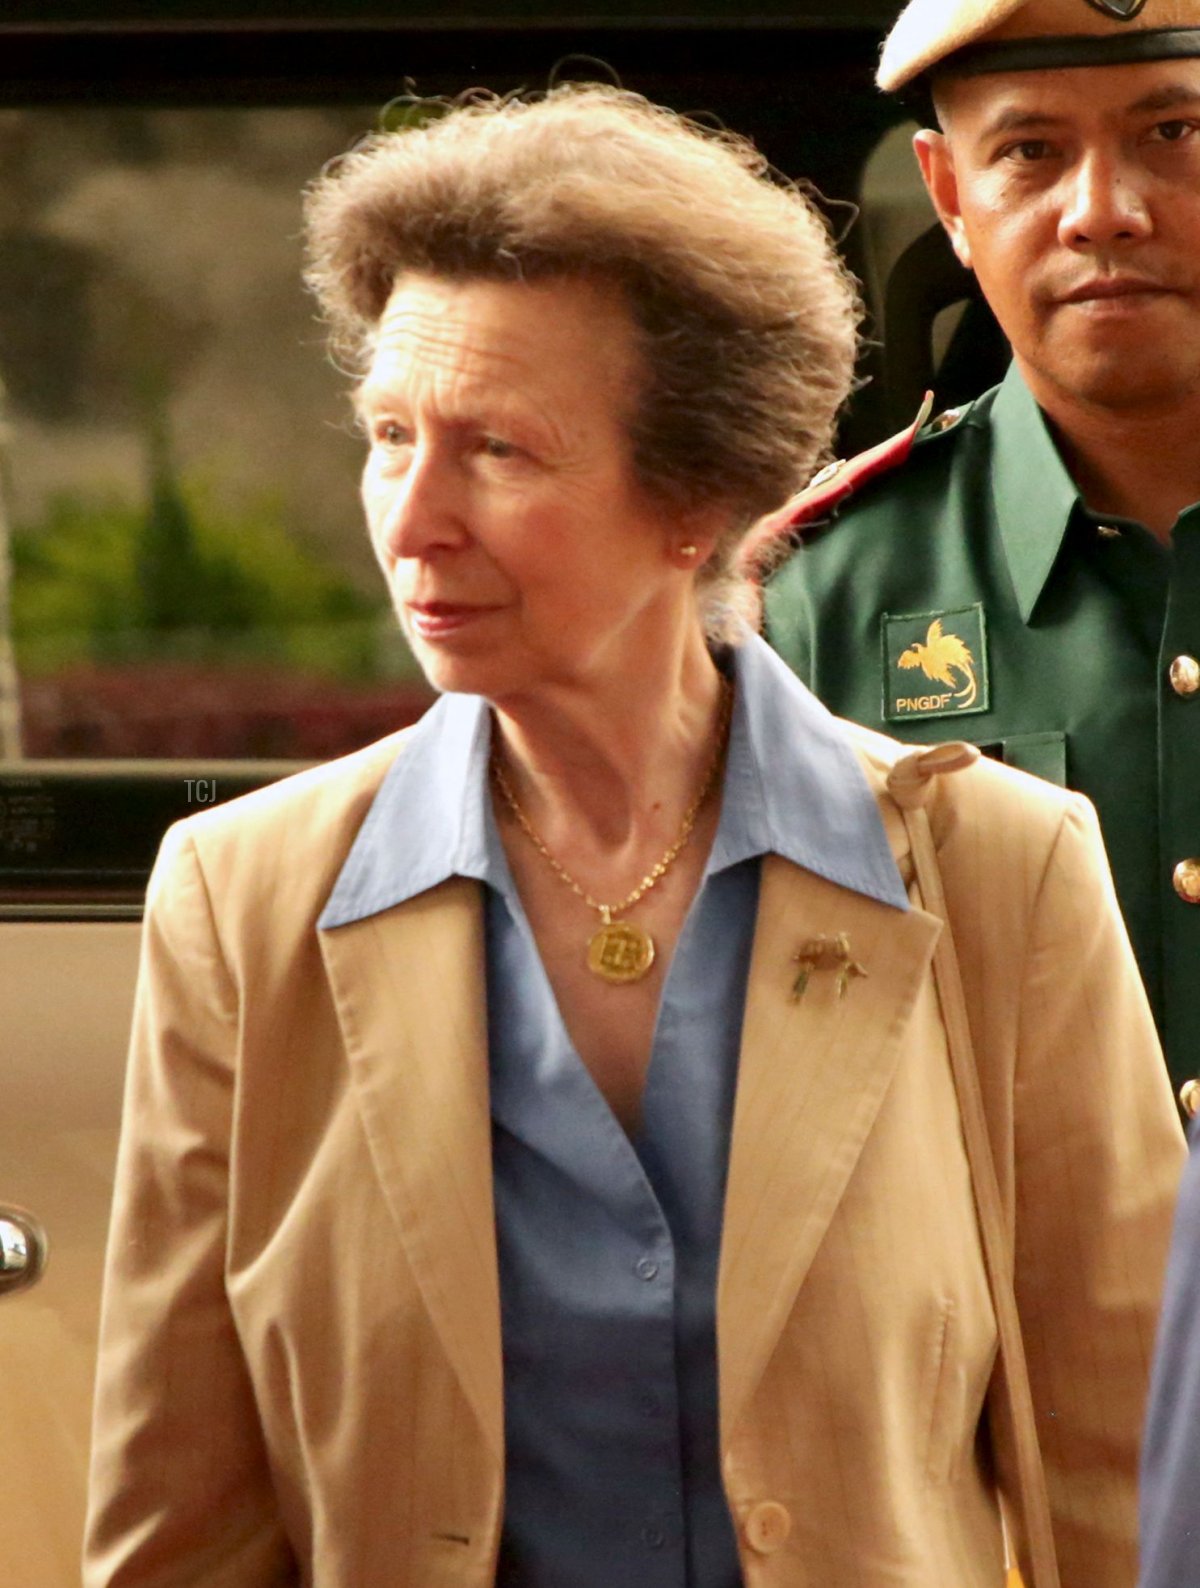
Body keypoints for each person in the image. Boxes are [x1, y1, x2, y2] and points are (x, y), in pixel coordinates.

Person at [82, 84, 1181, 1588]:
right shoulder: (244, 896)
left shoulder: (1001, 871)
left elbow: (1129, 1488)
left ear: (700, 499)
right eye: (390, 436)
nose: (411, 518)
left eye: (497, 450)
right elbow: (180, 1528)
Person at [761, 0, 1200, 1103]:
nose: (1102, 213)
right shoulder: (811, 600)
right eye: (1030, 151)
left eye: (1175, 133)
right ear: (951, 197)